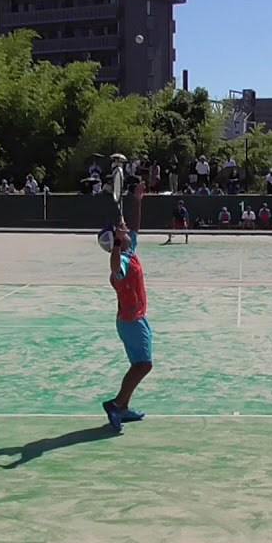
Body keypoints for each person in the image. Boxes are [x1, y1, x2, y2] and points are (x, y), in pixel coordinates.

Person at [98, 182, 151, 432]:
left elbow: (136, 227)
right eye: (121, 231)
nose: (127, 230)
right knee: (144, 365)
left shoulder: (131, 251)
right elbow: (113, 267)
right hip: (131, 322)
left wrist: (138, 201)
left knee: (138, 364)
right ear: (117, 240)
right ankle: (117, 404)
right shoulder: (122, 263)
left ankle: (124, 407)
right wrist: (119, 243)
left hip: (135, 318)